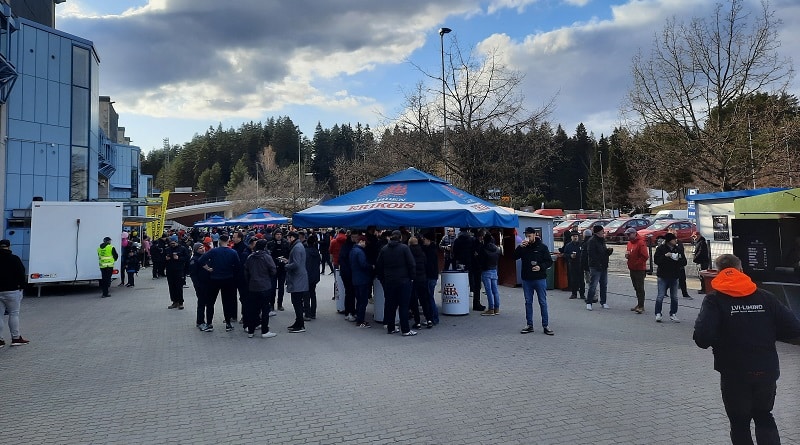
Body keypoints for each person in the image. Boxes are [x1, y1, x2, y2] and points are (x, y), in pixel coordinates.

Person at [693, 254, 800, 445]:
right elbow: (794, 327)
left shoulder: (714, 300)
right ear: (741, 270)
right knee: (764, 416)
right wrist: (767, 336)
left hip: (734, 372)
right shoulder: (765, 297)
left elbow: (702, 338)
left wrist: (721, 340)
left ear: (718, 273)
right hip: (766, 369)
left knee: (740, 422)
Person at [375, 230, 417, 336]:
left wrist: (382, 279)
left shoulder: (384, 249)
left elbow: (379, 265)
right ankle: (405, 329)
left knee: (390, 305)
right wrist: (412, 277)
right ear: (400, 238)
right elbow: (411, 263)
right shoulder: (404, 248)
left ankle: (391, 328)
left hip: (389, 281)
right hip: (404, 280)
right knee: (403, 305)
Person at [514, 227, 554, 335]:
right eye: (526, 235)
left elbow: (549, 261)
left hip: (539, 278)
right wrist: (519, 248)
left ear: (534, 235)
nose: (527, 237)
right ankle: (529, 325)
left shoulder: (542, 247)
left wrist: (541, 267)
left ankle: (545, 326)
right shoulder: (523, 247)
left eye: (529, 235)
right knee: (528, 302)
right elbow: (513, 257)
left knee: (542, 302)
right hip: (527, 279)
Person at [197, 234, 240, 332]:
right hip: (228, 279)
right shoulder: (233, 252)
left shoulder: (214, 251)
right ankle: (228, 323)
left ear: (219, 240)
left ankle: (209, 323)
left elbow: (201, 260)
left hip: (214, 279)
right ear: (229, 240)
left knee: (210, 302)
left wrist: (208, 269)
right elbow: (238, 266)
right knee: (227, 302)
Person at [243, 239, 278, 339]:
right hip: (265, 286)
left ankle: (251, 330)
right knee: (265, 309)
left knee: (253, 309)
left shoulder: (250, 257)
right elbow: (273, 270)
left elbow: (246, 271)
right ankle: (265, 330)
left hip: (253, 286)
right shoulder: (267, 257)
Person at [0, 239, 29, 347]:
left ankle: (0, 340)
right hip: (12, 291)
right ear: (9, 246)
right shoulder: (14, 259)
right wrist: (22, 287)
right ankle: (16, 338)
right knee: (14, 314)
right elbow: (21, 273)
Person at [653, 232, 686, 323]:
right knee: (660, 295)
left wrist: (678, 257)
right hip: (663, 275)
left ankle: (673, 314)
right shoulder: (661, 249)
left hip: (674, 275)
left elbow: (684, 262)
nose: (676, 240)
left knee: (674, 297)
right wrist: (665, 256)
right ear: (668, 241)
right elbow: (657, 261)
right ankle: (658, 313)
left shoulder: (678, 249)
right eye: (673, 239)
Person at [284, 231, 308, 333]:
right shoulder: (298, 245)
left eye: (288, 238)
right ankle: (298, 322)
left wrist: (286, 265)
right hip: (298, 278)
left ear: (292, 237)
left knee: (297, 302)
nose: (287, 240)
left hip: (297, 278)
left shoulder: (297, 247)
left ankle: (300, 324)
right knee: (296, 301)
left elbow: (296, 264)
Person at [585, 225, 613, 310]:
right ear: (597, 232)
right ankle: (589, 302)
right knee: (593, 285)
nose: (603, 233)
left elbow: (603, 252)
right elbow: (591, 255)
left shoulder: (602, 240)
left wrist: (608, 252)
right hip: (595, 267)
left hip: (604, 266)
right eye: (602, 231)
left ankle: (603, 302)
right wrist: (598, 263)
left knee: (604, 285)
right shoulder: (592, 241)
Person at [408, 236, 433, 328]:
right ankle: (429, 319)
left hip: (413, 280)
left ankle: (417, 321)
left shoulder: (408, 252)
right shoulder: (422, 252)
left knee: (414, 301)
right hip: (423, 278)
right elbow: (425, 264)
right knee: (424, 300)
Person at [350, 235, 372, 328]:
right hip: (362, 279)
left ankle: (359, 318)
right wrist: (371, 267)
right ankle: (361, 320)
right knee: (363, 301)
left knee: (359, 300)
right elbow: (363, 264)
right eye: (365, 243)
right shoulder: (360, 252)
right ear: (361, 241)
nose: (366, 245)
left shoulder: (352, 251)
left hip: (355, 278)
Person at [625, 227, 649, 314]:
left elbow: (645, 256)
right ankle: (639, 304)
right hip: (632, 268)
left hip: (639, 269)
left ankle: (641, 306)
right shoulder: (629, 243)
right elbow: (629, 252)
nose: (628, 236)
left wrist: (637, 263)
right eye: (627, 234)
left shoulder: (640, 243)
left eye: (629, 234)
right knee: (636, 287)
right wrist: (627, 256)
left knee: (640, 287)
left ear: (634, 234)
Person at [164, 235, 190, 309]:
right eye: (171, 243)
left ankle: (180, 302)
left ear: (177, 242)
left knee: (179, 286)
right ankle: (174, 301)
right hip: (170, 270)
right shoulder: (167, 249)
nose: (172, 244)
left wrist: (179, 258)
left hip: (179, 270)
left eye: (174, 242)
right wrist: (166, 259)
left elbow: (187, 258)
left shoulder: (182, 248)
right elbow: (163, 260)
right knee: (171, 287)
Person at [188, 243, 210, 330]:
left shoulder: (205, 257)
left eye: (203, 247)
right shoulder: (194, 260)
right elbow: (193, 275)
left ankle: (206, 321)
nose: (202, 249)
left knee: (207, 303)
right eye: (200, 248)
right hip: (200, 285)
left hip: (208, 284)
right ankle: (200, 321)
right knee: (201, 303)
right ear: (196, 250)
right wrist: (197, 285)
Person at [479, 232, 501, 316]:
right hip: (494, 269)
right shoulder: (496, 249)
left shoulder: (483, 248)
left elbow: (481, 259)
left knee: (488, 290)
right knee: (495, 290)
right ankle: (497, 308)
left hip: (486, 270)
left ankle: (491, 309)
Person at [267, 230, 289, 311]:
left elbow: (288, 254)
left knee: (281, 287)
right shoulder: (270, 243)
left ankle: (280, 304)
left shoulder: (285, 243)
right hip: (273, 268)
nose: (279, 236)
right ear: (274, 235)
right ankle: (271, 304)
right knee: (272, 288)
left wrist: (285, 260)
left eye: (280, 234)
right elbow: (268, 255)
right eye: (277, 234)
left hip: (282, 268)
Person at [421, 233, 440, 325]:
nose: (423, 240)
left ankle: (433, 318)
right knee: (430, 297)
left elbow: (429, 265)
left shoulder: (430, 251)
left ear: (429, 240)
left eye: (424, 239)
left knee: (429, 298)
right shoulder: (432, 249)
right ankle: (433, 317)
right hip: (433, 276)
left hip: (430, 276)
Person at [559, 231, 583, 299]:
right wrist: (570, 256)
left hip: (580, 264)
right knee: (573, 279)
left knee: (581, 280)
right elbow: (565, 254)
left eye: (576, 236)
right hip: (572, 264)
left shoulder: (581, 244)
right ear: (571, 237)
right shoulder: (568, 245)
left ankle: (582, 294)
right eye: (574, 236)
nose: (575, 238)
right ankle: (574, 293)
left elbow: (584, 253)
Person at [304, 234, 321, 320]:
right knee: (313, 294)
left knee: (306, 295)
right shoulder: (316, 252)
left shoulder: (306, 251)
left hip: (307, 275)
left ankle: (307, 313)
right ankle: (313, 312)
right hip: (315, 275)